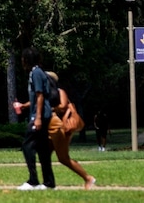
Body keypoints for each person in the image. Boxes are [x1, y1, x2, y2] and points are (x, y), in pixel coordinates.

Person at [12, 47, 56, 190]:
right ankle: (49, 183)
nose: (22, 61)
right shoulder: (38, 72)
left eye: (23, 59)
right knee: (42, 149)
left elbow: (40, 96)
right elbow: (38, 97)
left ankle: (33, 181)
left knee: (27, 146)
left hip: (40, 115)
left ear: (27, 60)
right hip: (43, 113)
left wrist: (37, 118)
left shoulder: (35, 73)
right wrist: (24, 106)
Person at [45, 72, 94, 189]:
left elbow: (63, 106)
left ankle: (88, 178)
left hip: (61, 127)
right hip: (50, 127)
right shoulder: (45, 93)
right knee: (45, 155)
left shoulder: (59, 91)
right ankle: (47, 183)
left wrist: (49, 108)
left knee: (63, 158)